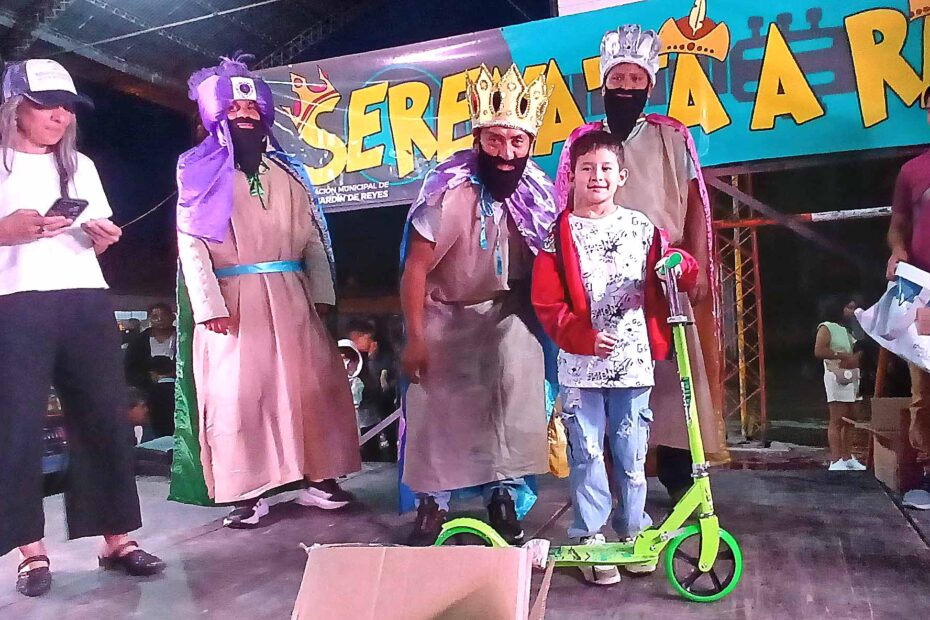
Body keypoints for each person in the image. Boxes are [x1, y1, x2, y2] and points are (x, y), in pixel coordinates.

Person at [171, 55, 361, 528]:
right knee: (241, 395)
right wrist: (208, 305)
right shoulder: (198, 173)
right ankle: (247, 491)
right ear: (215, 116)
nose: (245, 117)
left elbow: (312, 237)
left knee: (309, 387)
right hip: (234, 301)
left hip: (293, 293)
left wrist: (322, 293)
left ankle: (319, 478)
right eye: (235, 110)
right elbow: (191, 243)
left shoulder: (289, 173)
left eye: (252, 110)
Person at [0, 58, 164, 598]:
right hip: (12, 302)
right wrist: (3, 231)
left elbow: (91, 232)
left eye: (68, 107)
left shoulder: (80, 167)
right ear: (14, 106)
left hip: (85, 296)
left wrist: (102, 238)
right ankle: (30, 551)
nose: (61, 116)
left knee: (104, 417)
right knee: (15, 426)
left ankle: (116, 540)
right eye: (47, 105)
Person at [554, 24, 728, 504]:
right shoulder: (583, 141)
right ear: (603, 84)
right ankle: (609, 480)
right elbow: (565, 208)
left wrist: (696, 265)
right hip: (598, 278)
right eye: (618, 79)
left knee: (671, 378)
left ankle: (677, 472)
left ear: (649, 85)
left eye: (636, 79)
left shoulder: (672, 136)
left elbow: (695, 205)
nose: (626, 87)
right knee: (605, 373)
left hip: (663, 271)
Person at [400, 63, 557, 545]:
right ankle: (433, 502)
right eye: (495, 140)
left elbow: (555, 266)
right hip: (443, 309)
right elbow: (415, 270)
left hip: (505, 311)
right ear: (478, 139)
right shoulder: (445, 191)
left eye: (517, 142)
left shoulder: (538, 195)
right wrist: (415, 338)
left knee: (517, 373)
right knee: (433, 400)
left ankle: (503, 493)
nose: (506, 153)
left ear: (530, 145)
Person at [533, 131, 697, 585]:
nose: (597, 176)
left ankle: (633, 533)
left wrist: (680, 266)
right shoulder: (557, 235)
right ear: (572, 176)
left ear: (622, 176)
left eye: (606, 168)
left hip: (633, 363)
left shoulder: (642, 228)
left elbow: (678, 269)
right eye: (587, 168)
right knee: (587, 454)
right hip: (580, 366)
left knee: (631, 454)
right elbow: (547, 302)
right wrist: (583, 337)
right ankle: (590, 538)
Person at [887, 90, 930, 507]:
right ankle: (929, 473)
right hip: (924, 292)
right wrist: (898, 251)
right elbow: (897, 225)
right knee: (925, 389)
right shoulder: (913, 171)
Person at [814, 300, 867, 471]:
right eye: (849, 307)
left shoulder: (848, 330)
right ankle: (836, 460)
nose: (852, 311)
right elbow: (819, 351)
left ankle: (847, 457)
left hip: (852, 375)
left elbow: (859, 347)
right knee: (837, 418)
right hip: (835, 375)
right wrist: (842, 356)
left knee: (851, 418)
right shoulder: (826, 327)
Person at [347, 317, 398, 460]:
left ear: (368, 335)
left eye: (357, 338)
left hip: (384, 404)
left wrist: (372, 361)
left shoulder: (385, 355)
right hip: (365, 407)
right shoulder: (356, 358)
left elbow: (383, 382)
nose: (355, 343)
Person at [125, 302, 176, 388]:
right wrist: (148, 377)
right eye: (155, 317)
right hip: (145, 389)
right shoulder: (138, 341)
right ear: (149, 319)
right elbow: (130, 368)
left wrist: (174, 374)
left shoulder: (184, 339)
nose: (160, 319)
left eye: (164, 316)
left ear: (173, 317)